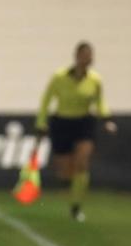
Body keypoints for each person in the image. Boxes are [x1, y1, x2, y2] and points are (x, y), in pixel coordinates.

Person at [35, 41, 117, 222]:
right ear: (77, 56)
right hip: (62, 122)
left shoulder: (95, 79)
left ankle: (76, 206)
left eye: (90, 55)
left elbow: (100, 102)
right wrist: (41, 123)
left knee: (82, 162)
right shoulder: (59, 77)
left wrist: (107, 119)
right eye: (84, 55)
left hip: (84, 122)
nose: (88, 59)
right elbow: (46, 100)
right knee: (65, 171)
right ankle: (71, 185)